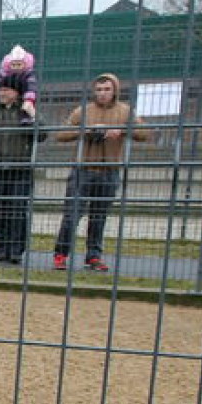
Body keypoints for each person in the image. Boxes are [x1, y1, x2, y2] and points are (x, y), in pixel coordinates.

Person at [51, 72, 150, 272]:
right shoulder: (83, 111)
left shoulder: (125, 111)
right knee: (72, 215)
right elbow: (60, 134)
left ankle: (93, 257)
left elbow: (144, 133)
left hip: (109, 171)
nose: (102, 93)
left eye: (107, 89)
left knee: (99, 216)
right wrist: (85, 130)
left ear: (115, 91)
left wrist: (121, 130)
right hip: (83, 170)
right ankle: (61, 255)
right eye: (98, 89)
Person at [0, 80, 48, 264]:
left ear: (16, 92)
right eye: (0, 89)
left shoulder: (24, 111)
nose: (2, 93)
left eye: (6, 89)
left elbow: (42, 134)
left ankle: (16, 250)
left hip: (20, 168)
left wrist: (33, 115)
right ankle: (2, 248)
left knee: (18, 210)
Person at [0, 45, 39, 123]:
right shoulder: (3, 74)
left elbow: (31, 87)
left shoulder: (29, 74)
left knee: (26, 105)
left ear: (25, 64)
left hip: (23, 95)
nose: (16, 67)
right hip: (1, 100)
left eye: (19, 64)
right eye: (13, 65)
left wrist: (29, 99)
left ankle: (26, 118)